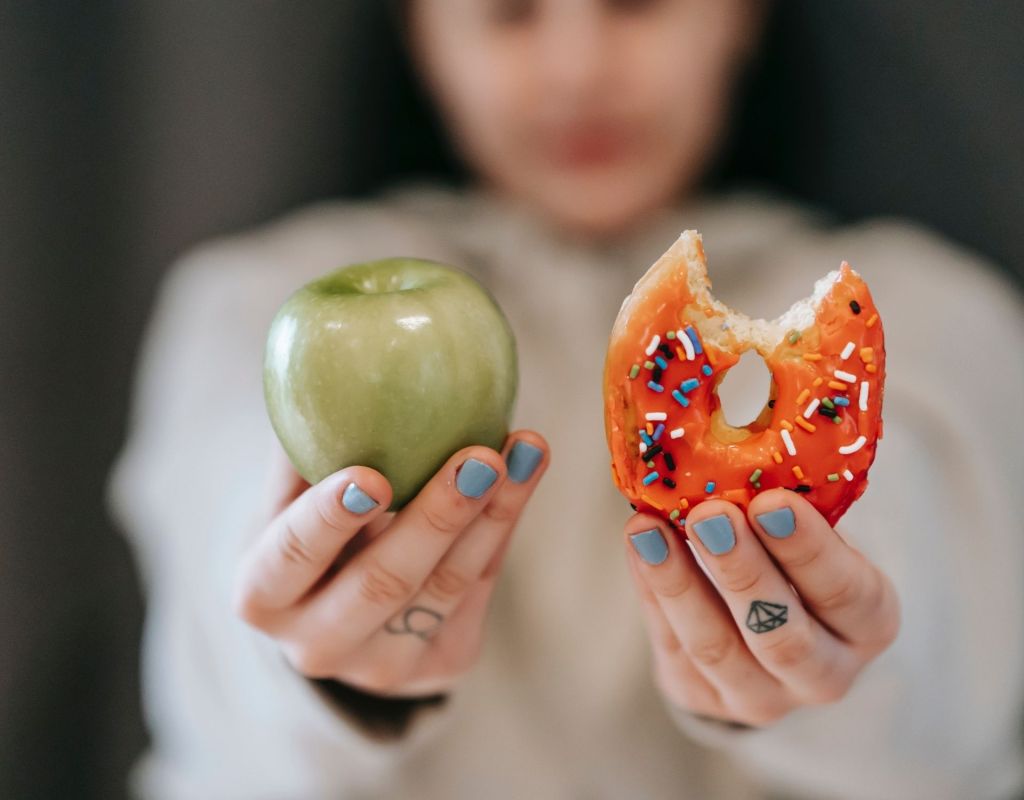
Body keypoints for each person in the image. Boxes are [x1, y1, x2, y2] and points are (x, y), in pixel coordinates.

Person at [106, 1, 1024, 798]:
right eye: (508, 10)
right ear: (420, 31)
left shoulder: (936, 312)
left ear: (742, 13)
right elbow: (211, 675)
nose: (578, 70)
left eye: (639, 2)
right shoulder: (245, 302)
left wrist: (828, 666)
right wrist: (318, 665)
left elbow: (944, 684)